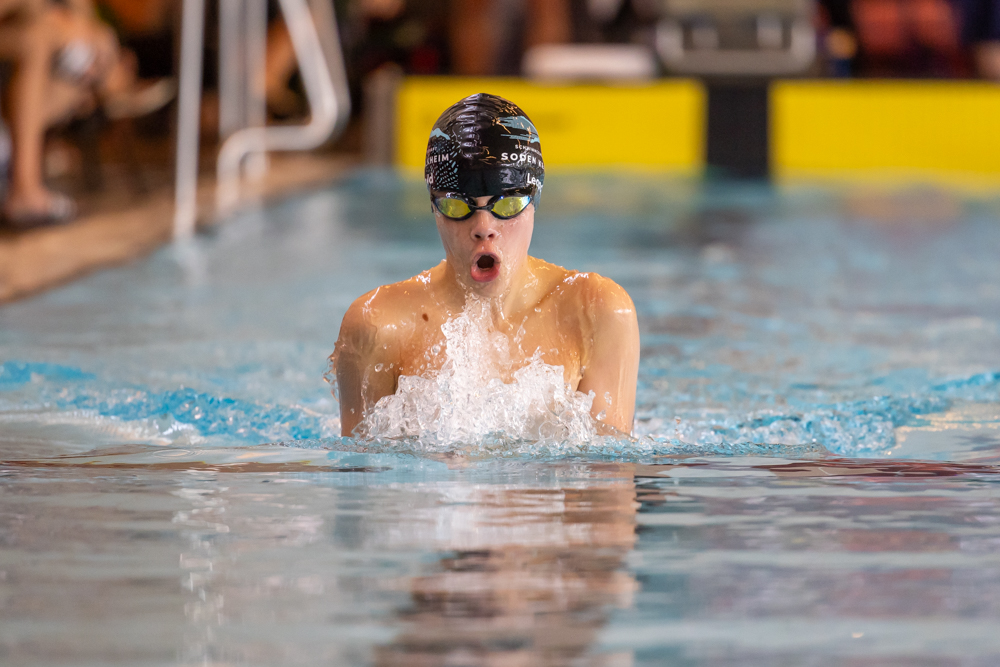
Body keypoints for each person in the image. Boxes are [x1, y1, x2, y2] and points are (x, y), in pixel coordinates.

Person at [331, 93, 640, 438]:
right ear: (434, 207)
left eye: (506, 205)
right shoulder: (378, 324)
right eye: (457, 205)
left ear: (534, 201)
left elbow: (609, 463)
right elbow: (362, 468)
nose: (483, 226)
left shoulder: (596, 311)